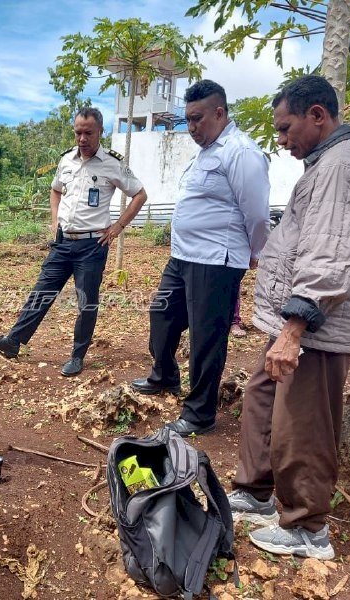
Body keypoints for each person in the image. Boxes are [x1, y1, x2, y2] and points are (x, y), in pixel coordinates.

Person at [228, 75, 350, 560]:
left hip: (319, 323)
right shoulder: (329, 163)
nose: (281, 141)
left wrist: (295, 329)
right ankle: (256, 491)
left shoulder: (340, 167)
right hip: (298, 319)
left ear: (317, 115)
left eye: (285, 129)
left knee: (303, 419)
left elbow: (329, 256)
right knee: (263, 392)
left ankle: (306, 526)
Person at [131, 79, 271, 437]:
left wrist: (256, 253)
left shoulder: (242, 152)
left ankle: (200, 413)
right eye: (187, 121)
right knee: (161, 313)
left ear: (220, 113)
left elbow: (256, 214)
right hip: (183, 257)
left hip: (216, 261)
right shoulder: (207, 152)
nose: (191, 128)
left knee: (206, 337)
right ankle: (164, 375)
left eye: (197, 119)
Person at [0, 107, 147, 377]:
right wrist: (54, 219)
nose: (82, 138)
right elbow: (55, 189)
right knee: (41, 293)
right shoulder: (66, 160)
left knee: (86, 302)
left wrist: (118, 227)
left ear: (100, 132)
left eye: (88, 133)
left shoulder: (112, 164)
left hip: (93, 246)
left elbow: (140, 194)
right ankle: (13, 342)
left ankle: (77, 356)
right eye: (78, 132)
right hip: (63, 242)